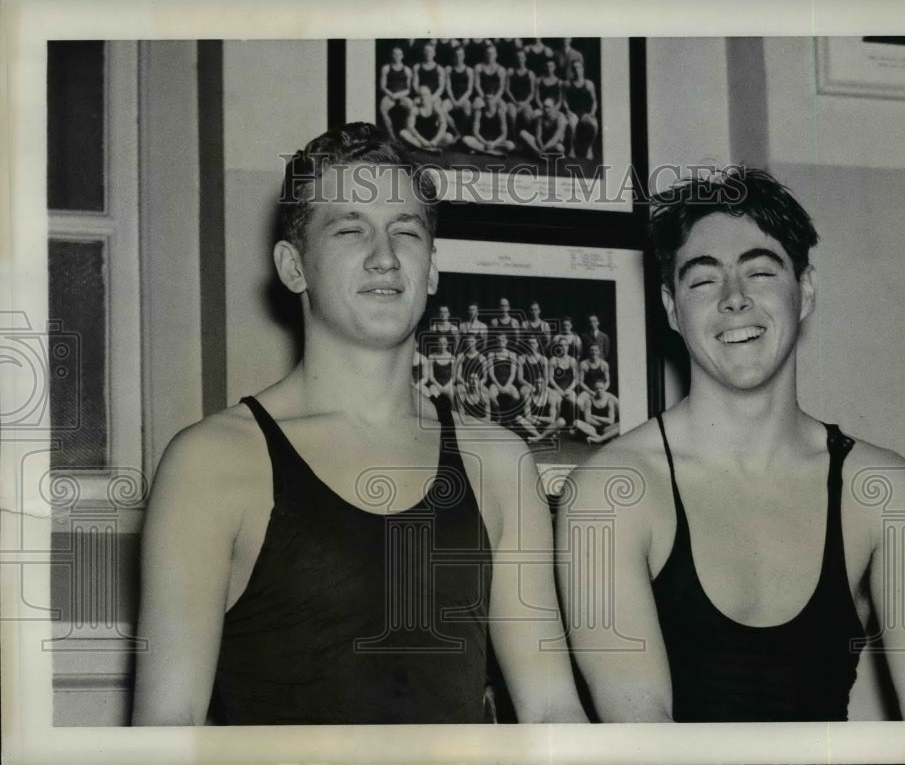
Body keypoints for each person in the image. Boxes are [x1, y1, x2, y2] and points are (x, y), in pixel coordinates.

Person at [133, 122, 586, 726]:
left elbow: (553, 712)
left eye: (406, 231)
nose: (384, 255)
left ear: (430, 268)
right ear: (294, 267)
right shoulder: (213, 461)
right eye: (350, 230)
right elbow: (167, 731)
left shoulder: (499, 460)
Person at [557, 167, 905, 722]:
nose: (734, 299)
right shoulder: (611, 493)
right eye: (703, 281)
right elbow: (640, 731)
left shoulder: (888, 492)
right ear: (673, 308)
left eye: (761, 273)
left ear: (806, 290)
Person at [399, 85, 454, 154]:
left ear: (430, 95)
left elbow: (443, 125)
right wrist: (423, 141)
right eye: (421, 95)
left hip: (434, 136)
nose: (423, 97)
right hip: (420, 137)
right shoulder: (415, 109)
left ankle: (428, 147)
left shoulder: (436, 108)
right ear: (418, 97)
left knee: (449, 137)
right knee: (403, 133)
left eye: (425, 95)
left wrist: (435, 140)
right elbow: (411, 127)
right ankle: (427, 149)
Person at [564, 59, 599, 160]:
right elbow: (564, 100)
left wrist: (592, 113)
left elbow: (594, 101)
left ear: (582, 69)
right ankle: (571, 148)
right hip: (573, 112)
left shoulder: (589, 84)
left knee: (594, 125)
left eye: (579, 67)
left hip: (585, 113)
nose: (577, 70)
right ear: (572, 71)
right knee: (571, 124)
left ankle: (589, 148)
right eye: (574, 68)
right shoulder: (568, 84)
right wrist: (567, 111)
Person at [515, 373, 565, 443]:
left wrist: (537, 417)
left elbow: (552, 419)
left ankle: (539, 438)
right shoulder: (528, 397)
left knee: (561, 421)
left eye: (541, 383)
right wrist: (536, 421)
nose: (538, 385)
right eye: (537, 383)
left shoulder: (551, 397)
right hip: (534, 425)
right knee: (519, 418)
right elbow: (527, 417)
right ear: (534, 384)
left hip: (548, 426)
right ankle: (543, 438)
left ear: (545, 385)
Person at [378, 46, 414, 140]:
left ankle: (407, 135)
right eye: (394, 54)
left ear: (402, 56)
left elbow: (409, 89)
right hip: (390, 95)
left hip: (402, 95)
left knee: (412, 107)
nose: (397, 56)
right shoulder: (386, 68)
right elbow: (382, 86)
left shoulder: (407, 70)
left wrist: (399, 95)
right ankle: (392, 138)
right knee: (382, 109)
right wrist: (391, 95)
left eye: (399, 54)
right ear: (391, 55)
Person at [486, 332, 521, 423]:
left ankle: (507, 413)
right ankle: (499, 415)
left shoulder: (512, 354)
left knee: (516, 397)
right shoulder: (491, 354)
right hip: (496, 383)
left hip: (508, 383)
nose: (501, 342)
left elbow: (513, 373)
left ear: (506, 341)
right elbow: (491, 373)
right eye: (499, 340)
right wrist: (499, 386)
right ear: (496, 342)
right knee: (491, 395)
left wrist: (506, 386)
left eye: (503, 340)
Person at [504, 48, 537, 139]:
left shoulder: (530, 73)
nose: (520, 59)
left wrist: (525, 103)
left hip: (525, 102)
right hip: (512, 101)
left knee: (528, 116)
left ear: (525, 59)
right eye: (518, 57)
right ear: (515, 58)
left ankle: (526, 138)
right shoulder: (510, 71)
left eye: (522, 57)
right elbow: (507, 89)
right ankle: (513, 138)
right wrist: (514, 102)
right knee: (511, 114)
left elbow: (532, 92)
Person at [573, 379, 619, 444]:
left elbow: (611, 421)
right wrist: (605, 421)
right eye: (597, 388)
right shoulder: (588, 401)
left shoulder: (609, 401)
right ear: (594, 389)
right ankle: (604, 438)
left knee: (621, 425)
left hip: (606, 428)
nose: (599, 390)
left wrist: (596, 417)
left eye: (601, 388)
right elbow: (588, 420)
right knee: (576, 422)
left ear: (604, 389)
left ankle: (598, 439)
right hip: (592, 429)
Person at [443, 45, 475, 137]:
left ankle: (463, 132)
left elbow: (469, 89)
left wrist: (460, 101)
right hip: (452, 97)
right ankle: (457, 132)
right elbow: (448, 87)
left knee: (468, 111)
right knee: (442, 109)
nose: (458, 58)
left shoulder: (469, 70)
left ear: (464, 56)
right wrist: (453, 100)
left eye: (460, 55)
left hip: (463, 98)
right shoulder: (449, 69)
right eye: (456, 55)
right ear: (453, 56)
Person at [547, 336, 578, 426]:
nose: (563, 347)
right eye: (561, 345)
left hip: (569, 388)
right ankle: (555, 426)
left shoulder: (572, 360)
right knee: (556, 401)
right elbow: (550, 379)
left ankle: (573, 424)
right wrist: (559, 390)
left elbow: (576, 379)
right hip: (557, 388)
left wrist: (569, 389)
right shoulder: (553, 360)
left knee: (574, 401)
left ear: (568, 347)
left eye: (565, 345)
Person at [473, 43, 506, 111]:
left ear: (496, 55)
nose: (490, 56)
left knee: (504, 108)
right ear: (485, 54)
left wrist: (494, 100)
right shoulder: (478, 68)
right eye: (488, 53)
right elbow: (477, 85)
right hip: (482, 96)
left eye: (492, 54)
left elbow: (501, 88)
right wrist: (484, 98)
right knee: (476, 106)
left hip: (496, 97)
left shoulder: (501, 70)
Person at [426, 334, 456, 401]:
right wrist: (439, 387)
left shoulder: (452, 357)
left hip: (448, 385)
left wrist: (447, 386)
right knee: (433, 394)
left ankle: (452, 410)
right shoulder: (431, 357)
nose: (442, 345)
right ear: (437, 344)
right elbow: (431, 377)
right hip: (435, 384)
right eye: (440, 343)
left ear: (447, 343)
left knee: (451, 393)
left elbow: (454, 377)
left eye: (444, 343)